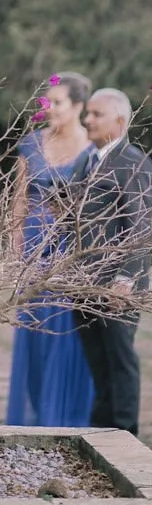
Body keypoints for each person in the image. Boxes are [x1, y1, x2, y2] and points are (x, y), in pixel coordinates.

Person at [5, 71, 95, 426]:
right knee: (33, 328)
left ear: (77, 106)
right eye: (47, 102)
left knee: (65, 331)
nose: (50, 109)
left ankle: (66, 416)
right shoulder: (31, 143)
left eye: (57, 103)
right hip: (33, 244)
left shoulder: (92, 149)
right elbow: (18, 199)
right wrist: (15, 250)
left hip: (71, 246)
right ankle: (33, 417)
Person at [71, 87, 152, 435]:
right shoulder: (88, 160)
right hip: (84, 280)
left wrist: (126, 280)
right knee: (98, 361)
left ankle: (124, 432)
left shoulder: (134, 163)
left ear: (119, 120)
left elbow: (143, 226)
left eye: (96, 114)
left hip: (116, 285)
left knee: (120, 360)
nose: (87, 120)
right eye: (87, 113)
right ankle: (101, 432)